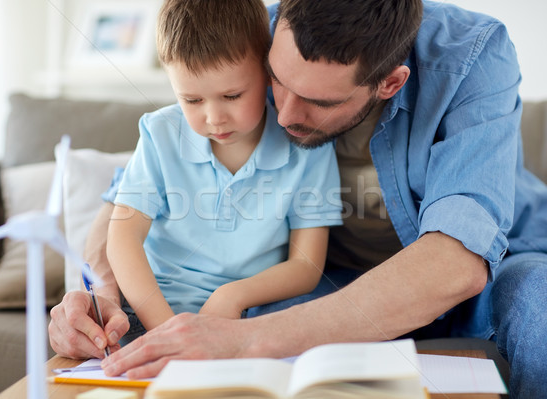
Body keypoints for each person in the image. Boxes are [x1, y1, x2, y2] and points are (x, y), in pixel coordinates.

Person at [49, 1, 547, 397]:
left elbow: (456, 262)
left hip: (489, 269)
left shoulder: (471, 55)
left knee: (539, 303)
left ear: (390, 82)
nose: (284, 116)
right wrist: (102, 296)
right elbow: (121, 203)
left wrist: (244, 340)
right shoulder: (249, 35)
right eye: (276, 82)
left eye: (319, 101)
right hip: (330, 284)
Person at [108, 0, 342, 337]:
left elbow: (306, 266)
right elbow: (123, 237)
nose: (214, 118)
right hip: (153, 309)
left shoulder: (306, 146)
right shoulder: (160, 134)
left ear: (268, 73)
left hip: (252, 312)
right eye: (192, 100)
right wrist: (167, 330)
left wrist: (232, 296)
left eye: (232, 96)